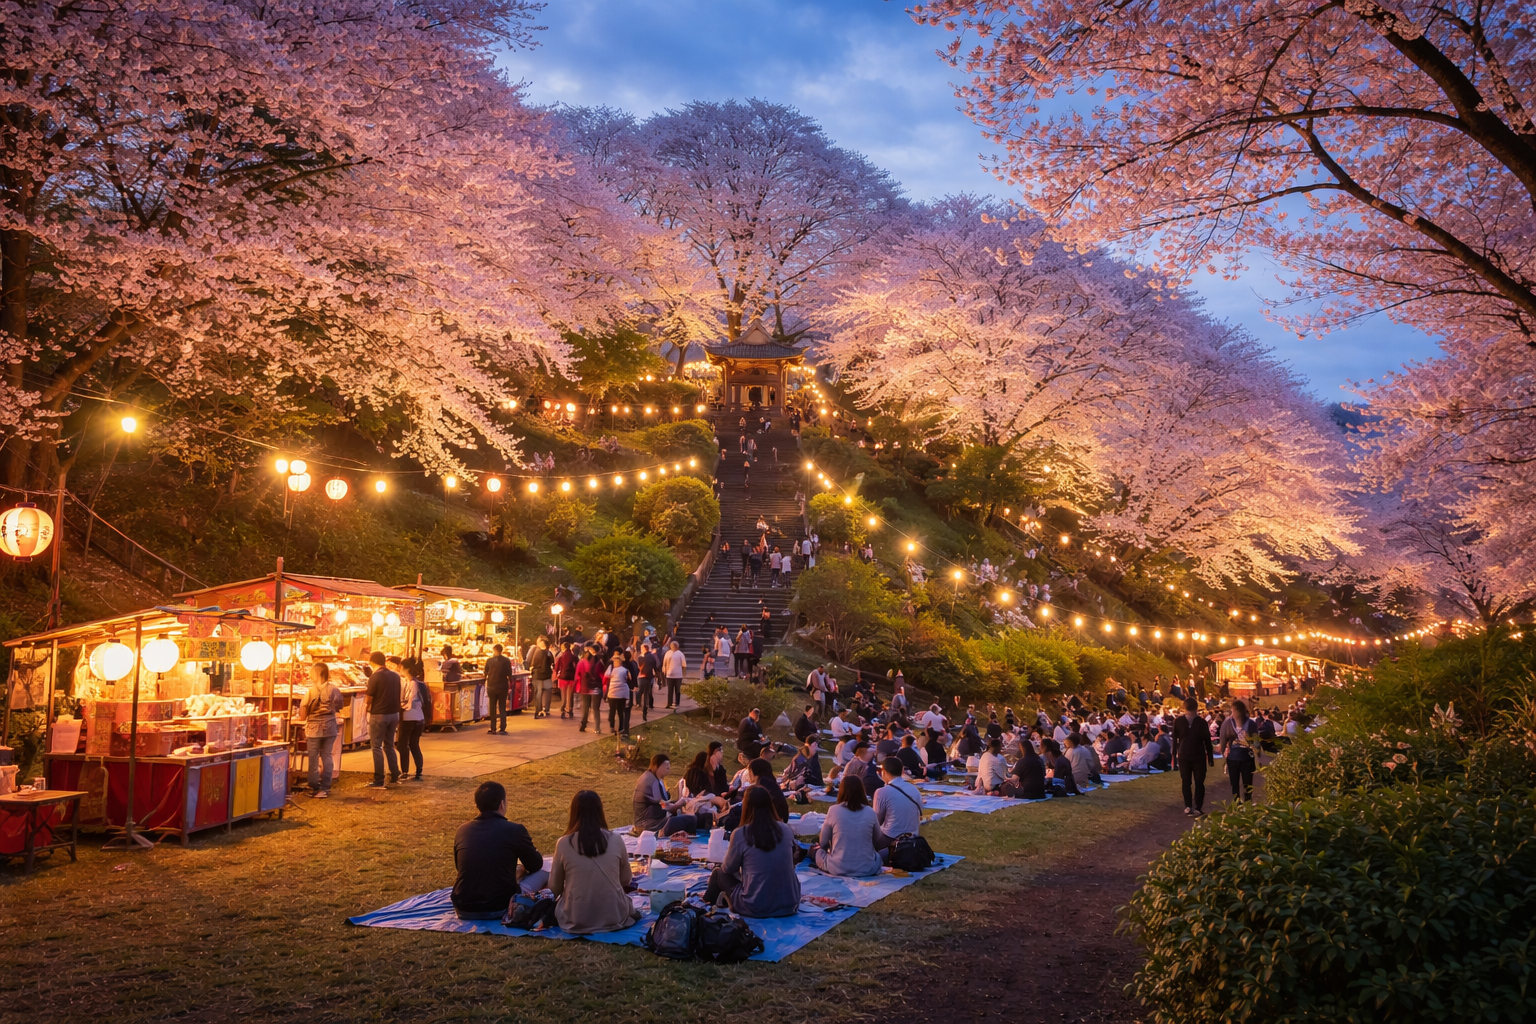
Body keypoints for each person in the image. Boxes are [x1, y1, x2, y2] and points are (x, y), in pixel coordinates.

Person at [548, 790, 643, 934]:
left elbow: (554, 889)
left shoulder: (563, 843)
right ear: (600, 811)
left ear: (574, 813)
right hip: (614, 914)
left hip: (574, 917)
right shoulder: (616, 840)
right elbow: (625, 880)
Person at [452, 781, 546, 919]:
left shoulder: (462, 830)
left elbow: (459, 867)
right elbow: (536, 865)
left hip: (463, 906)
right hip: (500, 906)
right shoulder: (514, 830)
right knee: (544, 874)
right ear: (502, 804)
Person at [704, 787, 801, 916]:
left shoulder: (741, 833)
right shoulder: (786, 830)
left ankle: (703, 907)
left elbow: (727, 869)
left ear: (746, 807)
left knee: (718, 874)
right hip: (790, 903)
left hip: (756, 906)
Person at [814, 776, 887, 877]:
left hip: (837, 867)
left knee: (816, 851)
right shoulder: (870, 812)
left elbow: (823, 843)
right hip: (868, 868)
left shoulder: (834, 810)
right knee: (880, 855)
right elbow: (878, 839)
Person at [300, 663, 344, 797]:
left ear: (318, 674)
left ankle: (313, 786)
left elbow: (303, 712)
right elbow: (339, 706)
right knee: (327, 755)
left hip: (313, 729)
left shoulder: (310, 691)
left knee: (313, 758)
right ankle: (326, 787)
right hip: (330, 726)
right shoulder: (334, 690)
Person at [632, 753, 697, 836]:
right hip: (649, 825)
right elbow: (663, 805)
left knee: (689, 817)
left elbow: (663, 803)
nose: (668, 767)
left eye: (669, 765)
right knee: (691, 819)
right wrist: (679, 804)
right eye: (665, 765)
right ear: (655, 766)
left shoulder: (656, 778)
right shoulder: (651, 780)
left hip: (655, 820)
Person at [364, 651, 402, 788]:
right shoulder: (395, 676)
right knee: (389, 745)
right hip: (394, 714)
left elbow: (370, 697)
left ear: (371, 662)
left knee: (376, 747)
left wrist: (366, 709)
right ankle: (395, 773)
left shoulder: (375, 676)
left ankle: (379, 778)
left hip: (379, 714)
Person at [1172, 697, 1215, 816]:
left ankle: (1188, 806)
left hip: (1183, 754)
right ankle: (1198, 807)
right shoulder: (1201, 722)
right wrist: (1210, 758)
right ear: (1197, 708)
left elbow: (1175, 740)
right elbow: (1207, 741)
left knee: (1186, 781)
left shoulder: (1178, 721)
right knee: (1199, 782)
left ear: (1184, 707)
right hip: (1198, 755)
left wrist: (1173, 757)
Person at [1219, 699, 1260, 802]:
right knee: (1245, 782)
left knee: (1237, 783)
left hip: (1236, 756)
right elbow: (1256, 741)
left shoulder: (1227, 723)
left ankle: (1240, 801)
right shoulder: (1250, 723)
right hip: (1245, 757)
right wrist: (1258, 752)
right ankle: (1245, 801)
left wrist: (1223, 752)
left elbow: (1223, 739)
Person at [872, 758, 924, 839]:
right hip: (913, 838)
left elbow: (876, 821)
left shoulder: (881, 792)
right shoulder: (914, 789)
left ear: (884, 772)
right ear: (902, 771)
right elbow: (919, 810)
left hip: (890, 839)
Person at [396, 656, 428, 781]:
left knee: (402, 745)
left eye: (401, 667)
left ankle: (405, 771)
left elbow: (412, 701)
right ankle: (418, 770)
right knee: (414, 744)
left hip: (409, 717)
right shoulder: (416, 682)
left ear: (405, 668)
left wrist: (402, 707)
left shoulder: (412, 683)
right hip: (418, 717)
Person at [484, 643, 513, 734]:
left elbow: (485, 673)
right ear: (501, 650)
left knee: (492, 708)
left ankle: (493, 728)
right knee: (502, 707)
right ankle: (502, 728)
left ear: (494, 650)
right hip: (502, 687)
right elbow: (509, 673)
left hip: (492, 686)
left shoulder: (489, 661)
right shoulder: (506, 661)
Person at [577, 645, 604, 734]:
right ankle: (597, 728)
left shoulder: (582, 662)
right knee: (595, 708)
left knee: (586, 708)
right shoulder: (600, 663)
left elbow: (578, 675)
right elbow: (603, 676)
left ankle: (583, 724)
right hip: (596, 688)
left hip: (586, 687)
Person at [604, 651, 632, 735]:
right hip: (622, 694)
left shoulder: (612, 670)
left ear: (616, 663)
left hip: (612, 693)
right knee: (620, 711)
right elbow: (629, 678)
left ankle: (612, 726)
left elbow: (606, 675)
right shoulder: (625, 670)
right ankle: (620, 728)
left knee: (612, 710)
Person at [528, 637, 555, 720]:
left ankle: (538, 710)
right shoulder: (549, 653)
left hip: (538, 675)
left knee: (538, 693)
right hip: (547, 676)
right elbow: (552, 663)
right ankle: (545, 708)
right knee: (547, 692)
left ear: (541, 644)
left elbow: (531, 663)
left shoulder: (537, 652)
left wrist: (531, 669)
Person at [636, 642, 659, 722]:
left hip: (642, 677)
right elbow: (655, 667)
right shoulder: (652, 657)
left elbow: (639, 667)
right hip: (649, 677)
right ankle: (645, 711)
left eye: (641, 648)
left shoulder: (640, 658)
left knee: (640, 692)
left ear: (644, 649)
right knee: (647, 694)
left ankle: (638, 704)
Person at [554, 641, 578, 719]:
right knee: (570, 694)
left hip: (562, 677)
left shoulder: (561, 657)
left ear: (563, 648)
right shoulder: (574, 656)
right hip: (571, 677)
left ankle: (563, 709)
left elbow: (557, 667)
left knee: (563, 694)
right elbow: (577, 666)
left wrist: (557, 674)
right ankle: (570, 709)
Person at [661, 641, 687, 709]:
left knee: (677, 690)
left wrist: (684, 674)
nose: (672, 647)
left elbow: (684, 665)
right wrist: (664, 670)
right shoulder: (668, 653)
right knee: (670, 690)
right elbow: (664, 662)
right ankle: (669, 703)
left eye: (674, 646)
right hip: (669, 675)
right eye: (671, 646)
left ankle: (677, 702)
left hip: (678, 675)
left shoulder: (680, 654)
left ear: (677, 646)